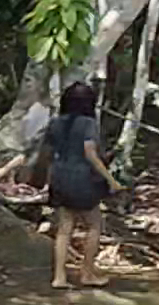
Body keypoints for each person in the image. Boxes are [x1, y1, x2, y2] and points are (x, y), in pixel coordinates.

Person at [38, 81, 123, 289]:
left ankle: (59, 277)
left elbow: (47, 154)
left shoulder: (55, 123)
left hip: (60, 177)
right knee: (94, 224)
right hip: (82, 179)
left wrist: (48, 181)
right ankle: (87, 272)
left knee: (64, 227)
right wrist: (111, 180)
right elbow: (90, 153)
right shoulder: (88, 124)